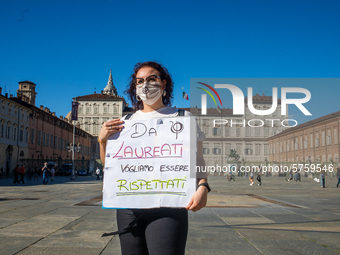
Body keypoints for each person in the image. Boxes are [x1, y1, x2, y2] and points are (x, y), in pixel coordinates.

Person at [98, 61, 209, 255]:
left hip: (170, 206)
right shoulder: (124, 122)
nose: (145, 85)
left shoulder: (184, 118)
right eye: (139, 81)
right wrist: (102, 142)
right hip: (129, 208)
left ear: (164, 84)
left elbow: (198, 159)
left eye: (152, 79)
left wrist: (203, 186)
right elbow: (112, 167)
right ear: (135, 87)